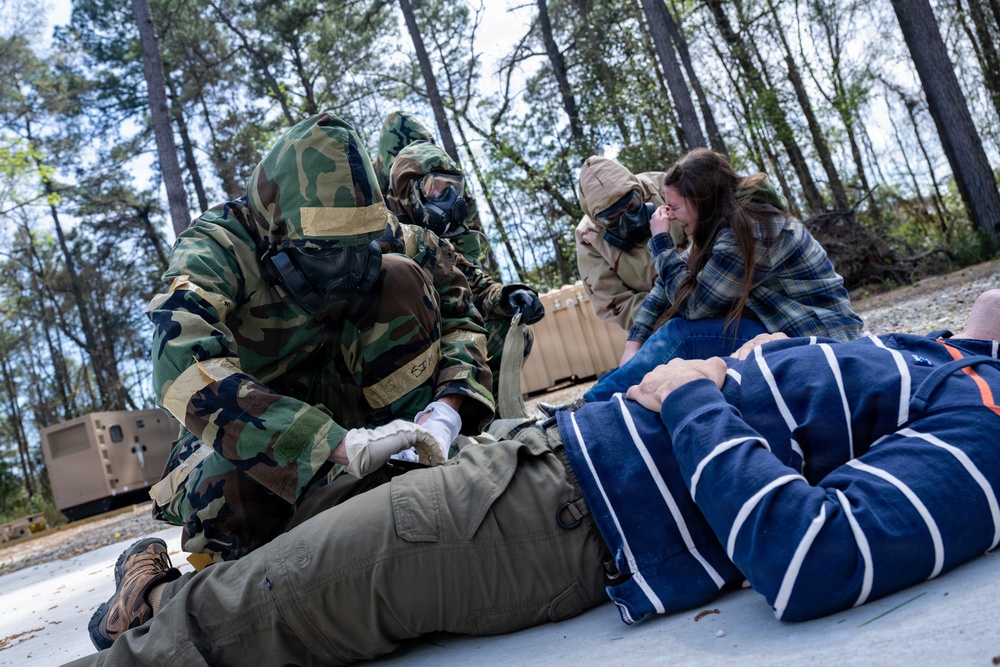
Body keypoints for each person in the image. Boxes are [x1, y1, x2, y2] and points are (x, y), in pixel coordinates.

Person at [79, 290, 1000, 664]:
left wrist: (691, 397)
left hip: (554, 511)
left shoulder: (989, 421)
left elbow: (816, 556)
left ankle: (150, 625)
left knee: (241, 613)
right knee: (272, 537)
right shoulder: (956, 357)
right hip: (539, 453)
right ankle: (148, 600)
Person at [143, 111, 495, 567]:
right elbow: (181, 365)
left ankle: (410, 464)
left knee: (402, 277)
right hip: (262, 429)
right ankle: (143, 584)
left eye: (360, 245)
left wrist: (445, 415)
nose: (350, 264)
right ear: (277, 229)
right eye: (328, 253)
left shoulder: (381, 233)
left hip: (360, 413)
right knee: (234, 504)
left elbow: (459, 307)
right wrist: (334, 445)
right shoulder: (218, 247)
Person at [580, 147, 863, 404]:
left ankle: (592, 406)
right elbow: (665, 289)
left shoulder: (749, 229)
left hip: (820, 334)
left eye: (675, 208)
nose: (672, 217)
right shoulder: (720, 225)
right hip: (780, 324)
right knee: (675, 338)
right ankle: (600, 395)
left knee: (682, 336)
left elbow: (693, 306)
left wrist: (661, 243)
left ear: (700, 201)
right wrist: (634, 344)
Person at [386, 139, 545, 387]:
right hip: (396, 355)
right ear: (409, 192)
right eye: (436, 187)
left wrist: (508, 296)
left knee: (508, 331)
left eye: (453, 187)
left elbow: (476, 286)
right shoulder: (384, 235)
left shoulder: (437, 243)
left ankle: (489, 417)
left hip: (442, 343)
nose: (448, 197)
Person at [574, 155, 688, 331]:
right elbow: (617, 303)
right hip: (663, 325)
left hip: (711, 287)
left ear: (640, 192)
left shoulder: (663, 187)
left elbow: (709, 232)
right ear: (598, 222)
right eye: (612, 219)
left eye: (632, 207)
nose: (630, 222)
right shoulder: (589, 238)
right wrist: (676, 311)